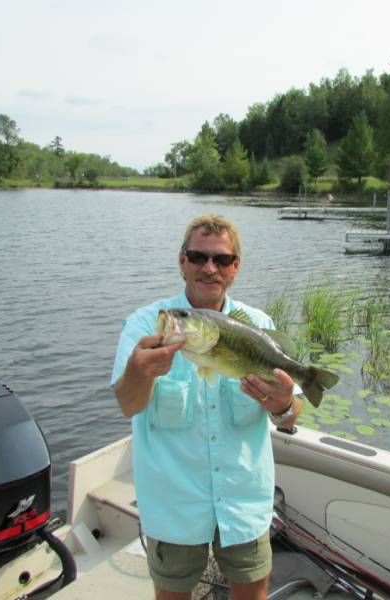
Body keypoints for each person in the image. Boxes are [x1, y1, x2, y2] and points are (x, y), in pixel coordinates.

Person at [111, 214, 301, 600]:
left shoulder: (258, 325)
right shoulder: (146, 324)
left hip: (243, 503)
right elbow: (129, 405)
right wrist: (139, 371)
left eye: (222, 259)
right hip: (174, 506)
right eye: (198, 257)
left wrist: (283, 405)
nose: (209, 268)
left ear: (235, 267)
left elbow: (290, 415)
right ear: (182, 261)